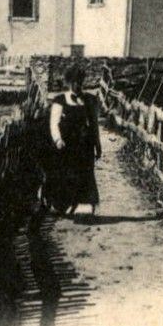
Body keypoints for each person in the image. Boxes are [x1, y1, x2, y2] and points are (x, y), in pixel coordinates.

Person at [39, 64, 102, 217]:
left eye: (79, 82)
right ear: (68, 83)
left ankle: (84, 205)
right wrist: (58, 140)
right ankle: (63, 205)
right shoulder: (60, 100)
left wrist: (97, 145)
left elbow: (94, 124)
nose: (77, 85)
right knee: (65, 175)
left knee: (84, 174)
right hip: (66, 145)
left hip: (84, 145)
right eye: (74, 82)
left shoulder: (89, 100)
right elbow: (54, 124)